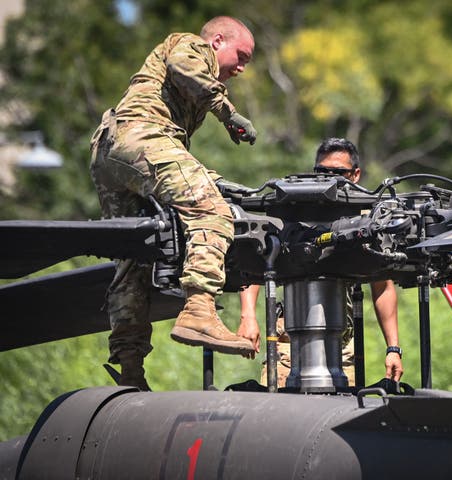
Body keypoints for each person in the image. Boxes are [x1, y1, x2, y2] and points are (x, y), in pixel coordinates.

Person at [90, 16, 258, 390]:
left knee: (132, 258)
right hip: (140, 135)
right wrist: (227, 113)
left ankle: (130, 369)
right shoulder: (190, 45)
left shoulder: (186, 82)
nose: (242, 68)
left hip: (112, 151)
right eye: (241, 56)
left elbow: (173, 153)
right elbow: (183, 67)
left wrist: (211, 178)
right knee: (212, 212)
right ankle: (199, 309)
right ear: (217, 41)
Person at [237, 138, 404, 386]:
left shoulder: (365, 218)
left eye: (338, 173)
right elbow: (259, 261)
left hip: (343, 347)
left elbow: (383, 287)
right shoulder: (293, 210)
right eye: (323, 172)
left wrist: (393, 348)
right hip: (288, 346)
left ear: (355, 174)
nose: (330, 178)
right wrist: (248, 316)